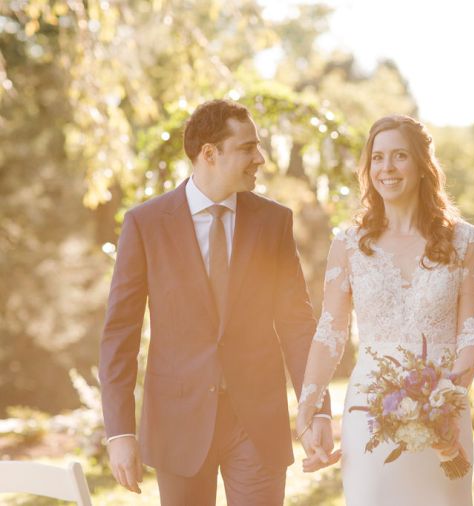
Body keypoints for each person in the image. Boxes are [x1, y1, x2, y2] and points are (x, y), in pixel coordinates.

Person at [99, 99, 338, 506]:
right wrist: (120, 432)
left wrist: (317, 409)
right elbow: (121, 332)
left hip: (256, 422)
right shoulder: (145, 224)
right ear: (209, 153)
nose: (260, 158)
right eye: (248, 148)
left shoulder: (273, 222)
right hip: (178, 423)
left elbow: (297, 323)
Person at [296, 115, 474, 505]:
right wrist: (309, 410)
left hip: (443, 412)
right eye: (378, 158)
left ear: (422, 165)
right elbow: (330, 334)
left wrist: (444, 403)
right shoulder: (348, 244)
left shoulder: (464, 240)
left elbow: (469, 336)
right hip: (369, 413)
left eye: (400, 156)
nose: (387, 168)